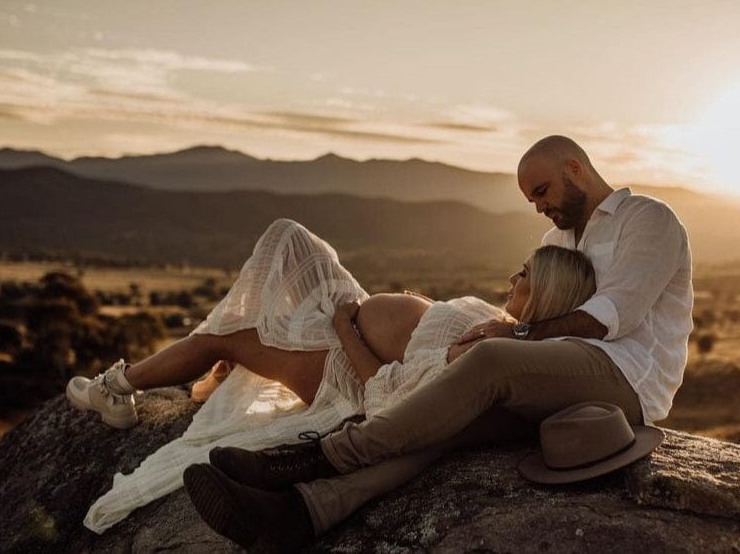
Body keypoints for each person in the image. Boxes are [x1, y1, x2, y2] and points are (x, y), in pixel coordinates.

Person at [187, 135, 694, 552]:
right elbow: (535, 310)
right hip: (557, 376)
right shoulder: (557, 242)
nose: (539, 207)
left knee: (495, 357)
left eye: (542, 191)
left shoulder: (647, 220)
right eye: (532, 200)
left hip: (627, 376)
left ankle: (319, 457)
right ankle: (303, 513)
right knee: (447, 422)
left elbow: (612, 317)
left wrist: (511, 335)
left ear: (574, 169)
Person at [66, 216, 598, 532]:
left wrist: (347, 328)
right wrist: (409, 305)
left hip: (340, 366)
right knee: (288, 238)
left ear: (548, 292)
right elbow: (420, 338)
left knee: (225, 336)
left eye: (524, 274)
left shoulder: (490, 354)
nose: (512, 275)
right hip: (351, 321)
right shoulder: (503, 329)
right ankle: (215, 374)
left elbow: (388, 398)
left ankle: (116, 388)